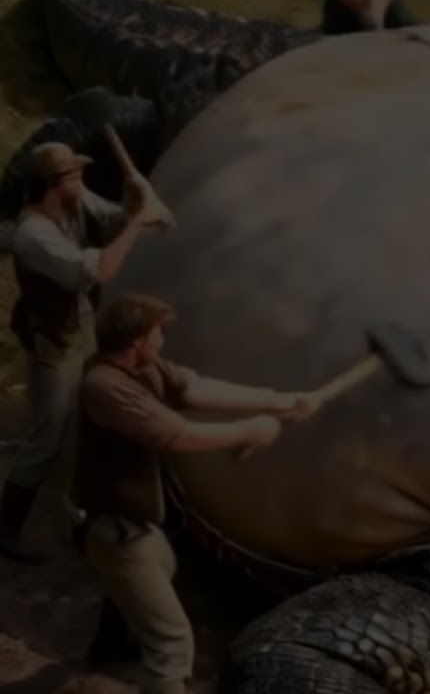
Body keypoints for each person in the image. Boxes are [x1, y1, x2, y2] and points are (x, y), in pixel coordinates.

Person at [71, 294, 321, 694]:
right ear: (137, 340)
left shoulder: (145, 368)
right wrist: (251, 430)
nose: (162, 341)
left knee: (162, 568)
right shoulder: (106, 386)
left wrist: (279, 402)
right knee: (172, 645)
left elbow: (197, 389)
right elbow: (176, 433)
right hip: (115, 530)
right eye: (157, 334)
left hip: (137, 522)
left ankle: (110, 646)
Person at [0, 142, 168, 563]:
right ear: (53, 185)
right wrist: (139, 224)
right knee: (48, 438)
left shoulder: (75, 201)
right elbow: (95, 270)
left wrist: (133, 202)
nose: (81, 181)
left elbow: (111, 219)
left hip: (82, 328)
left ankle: (88, 514)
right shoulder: (33, 235)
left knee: (90, 422)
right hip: (55, 345)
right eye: (74, 175)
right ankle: (5, 527)